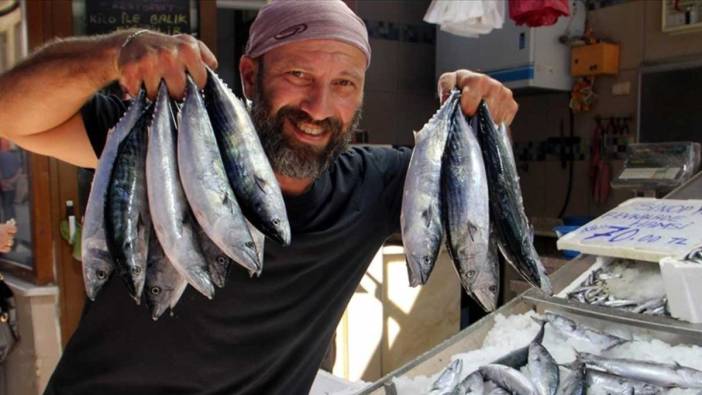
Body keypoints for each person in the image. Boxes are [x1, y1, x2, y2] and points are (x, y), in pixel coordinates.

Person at [0, 1, 518, 394]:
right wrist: (113, 56)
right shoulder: (171, 140)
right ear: (249, 76)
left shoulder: (380, 183)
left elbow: (476, 202)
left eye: (344, 83)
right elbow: (10, 113)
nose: (320, 106)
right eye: (298, 75)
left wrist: (485, 122)